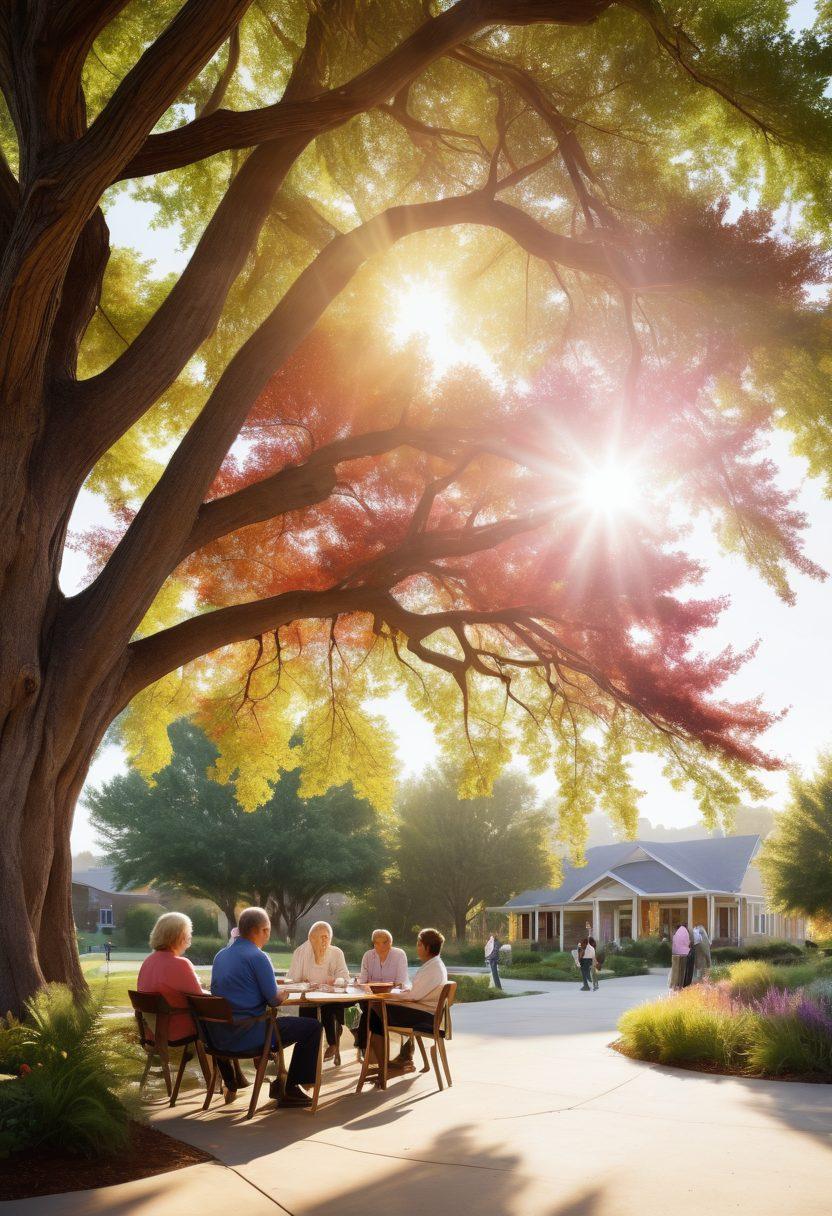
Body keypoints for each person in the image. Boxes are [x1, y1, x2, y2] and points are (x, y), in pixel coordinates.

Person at [211, 907, 323, 1107]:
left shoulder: (221, 955)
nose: (268, 935)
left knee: (285, 1025)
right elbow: (274, 1000)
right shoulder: (258, 956)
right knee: (312, 1027)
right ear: (261, 930)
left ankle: (286, 1083)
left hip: (221, 1035)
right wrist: (287, 992)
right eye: (268, 930)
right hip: (250, 1034)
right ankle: (291, 1087)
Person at [137, 911, 240, 1089]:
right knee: (220, 1024)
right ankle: (229, 1081)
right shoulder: (179, 963)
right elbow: (200, 998)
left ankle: (227, 1080)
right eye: (188, 935)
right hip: (176, 1031)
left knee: (214, 1025)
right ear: (179, 937)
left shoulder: (148, 962)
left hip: (153, 1032)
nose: (189, 939)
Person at [368, 927, 448, 1073]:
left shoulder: (433, 968)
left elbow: (413, 997)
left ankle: (381, 1064)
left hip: (426, 1018)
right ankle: (383, 1061)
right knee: (375, 1012)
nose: (417, 948)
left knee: (374, 1011)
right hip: (426, 1013)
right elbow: (416, 993)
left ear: (427, 947)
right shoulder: (434, 965)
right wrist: (401, 993)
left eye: (419, 944)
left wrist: (390, 996)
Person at [286, 921, 350, 1061]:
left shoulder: (336, 953)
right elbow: (292, 979)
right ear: (310, 938)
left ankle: (333, 1043)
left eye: (326, 937)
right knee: (309, 1013)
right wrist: (304, 984)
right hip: (309, 998)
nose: (323, 941)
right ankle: (309, 1055)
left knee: (331, 1007)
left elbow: (345, 978)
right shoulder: (300, 952)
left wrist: (334, 981)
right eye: (319, 937)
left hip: (329, 997)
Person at [354, 929, 410, 1053]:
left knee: (372, 1009)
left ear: (391, 942)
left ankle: (371, 1047)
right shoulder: (368, 955)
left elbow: (400, 982)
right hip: (372, 995)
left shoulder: (399, 954)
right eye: (377, 943)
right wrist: (364, 985)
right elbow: (363, 980)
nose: (381, 946)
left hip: (393, 995)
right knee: (365, 1005)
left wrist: (376, 985)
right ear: (373, 944)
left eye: (385, 942)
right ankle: (369, 1047)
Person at [670, 922, 691, 990]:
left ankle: (673, 984)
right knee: (682, 971)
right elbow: (687, 943)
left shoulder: (676, 933)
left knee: (675, 970)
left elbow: (673, 942)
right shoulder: (685, 932)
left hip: (675, 954)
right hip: (684, 954)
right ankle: (680, 985)